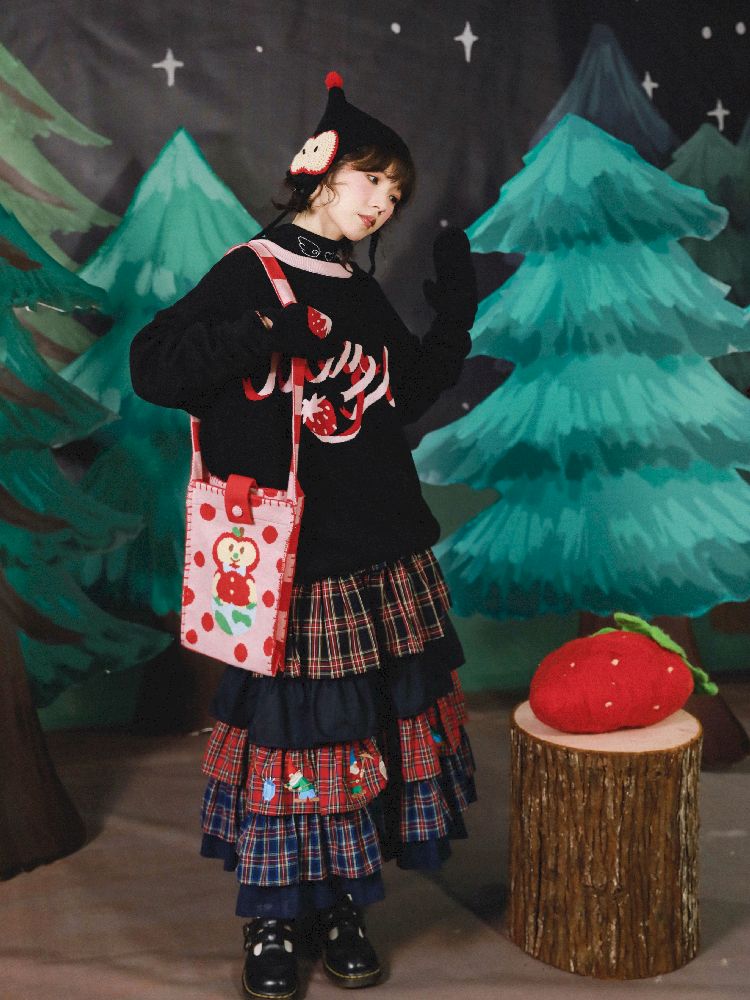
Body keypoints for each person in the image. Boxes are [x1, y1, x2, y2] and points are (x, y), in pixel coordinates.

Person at [130, 71, 478, 1000]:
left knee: (364, 731)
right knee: (300, 741)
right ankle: (277, 919)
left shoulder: (357, 288)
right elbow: (155, 367)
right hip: (295, 561)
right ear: (321, 169)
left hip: (379, 549)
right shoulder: (253, 271)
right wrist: (258, 333)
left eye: (396, 194)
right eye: (373, 180)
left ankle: (342, 906)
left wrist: (454, 317)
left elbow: (404, 395)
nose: (383, 204)